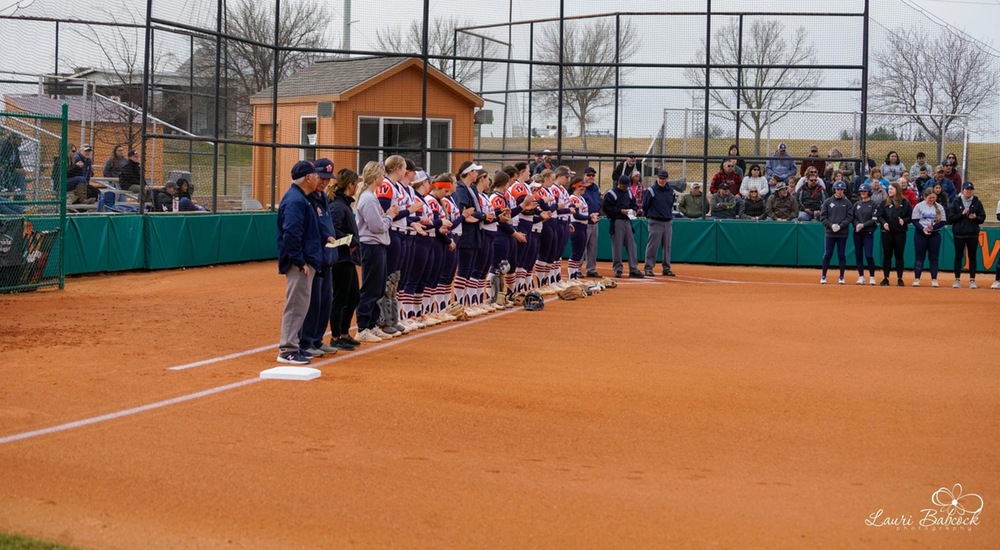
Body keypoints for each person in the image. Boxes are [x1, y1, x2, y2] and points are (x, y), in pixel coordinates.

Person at [275, 160, 324, 364]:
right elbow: (291, 233)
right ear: (308, 178)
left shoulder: (303, 198)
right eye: (315, 174)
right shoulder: (296, 200)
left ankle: (292, 346)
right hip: (299, 262)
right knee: (296, 305)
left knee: (300, 305)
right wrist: (298, 260)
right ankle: (287, 350)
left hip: (305, 259)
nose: (318, 178)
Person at [355, 161, 400, 343]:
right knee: (370, 287)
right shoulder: (368, 198)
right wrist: (390, 216)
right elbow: (377, 226)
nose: (383, 178)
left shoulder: (370, 197)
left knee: (378, 287)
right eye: (381, 175)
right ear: (375, 177)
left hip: (377, 246)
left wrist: (387, 216)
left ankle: (372, 324)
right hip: (370, 246)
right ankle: (363, 327)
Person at [298, 158, 339, 358]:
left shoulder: (323, 197)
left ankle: (317, 339)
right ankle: (305, 342)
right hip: (315, 256)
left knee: (325, 302)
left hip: (328, 256)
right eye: (322, 177)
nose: (324, 182)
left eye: (327, 178)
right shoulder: (307, 198)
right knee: (312, 302)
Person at [327, 168, 361, 350]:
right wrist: (350, 242)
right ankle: (335, 336)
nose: (357, 187)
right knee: (340, 298)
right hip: (340, 259)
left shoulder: (344, 204)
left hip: (347, 259)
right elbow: (333, 230)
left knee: (354, 296)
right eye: (356, 183)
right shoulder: (338, 206)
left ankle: (344, 333)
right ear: (350, 185)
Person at [603, 175, 642, 278]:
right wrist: (620, 211)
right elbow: (606, 209)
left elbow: (634, 204)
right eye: (624, 186)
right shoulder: (611, 194)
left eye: (627, 186)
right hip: (617, 221)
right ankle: (618, 269)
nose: (626, 188)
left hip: (627, 221)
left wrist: (634, 210)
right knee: (617, 246)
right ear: (619, 183)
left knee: (632, 246)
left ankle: (633, 269)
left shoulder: (628, 192)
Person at [948, 182, 986, 289]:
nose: (969, 191)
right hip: (959, 234)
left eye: (970, 189)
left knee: (972, 257)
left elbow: (982, 218)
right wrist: (962, 214)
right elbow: (951, 218)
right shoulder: (956, 202)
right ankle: (957, 279)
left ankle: (972, 280)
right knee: (958, 257)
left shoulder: (977, 202)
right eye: (967, 189)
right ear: (962, 190)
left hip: (972, 234)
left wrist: (976, 218)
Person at [818, 181, 854, 285]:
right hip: (830, 232)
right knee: (827, 254)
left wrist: (840, 226)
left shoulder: (847, 203)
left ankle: (841, 276)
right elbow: (823, 217)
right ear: (834, 190)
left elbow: (849, 217)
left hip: (842, 233)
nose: (839, 191)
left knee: (841, 255)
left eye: (841, 189)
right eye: (838, 189)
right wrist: (831, 225)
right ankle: (824, 275)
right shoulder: (827, 202)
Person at [911, 187, 948, 287]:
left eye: (933, 198)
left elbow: (943, 221)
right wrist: (923, 228)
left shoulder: (939, 207)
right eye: (930, 198)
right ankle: (917, 279)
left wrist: (934, 227)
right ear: (925, 197)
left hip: (934, 234)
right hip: (920, 234)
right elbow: (914, 220)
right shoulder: (919, 206)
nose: (932, 200)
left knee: (934, 257)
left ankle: (934, 279)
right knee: (919, 257)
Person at [643, 170, 676, 277]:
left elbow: (670, 204)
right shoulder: (651, 191)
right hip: (655, 221)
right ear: (657, 178)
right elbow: (645, 205)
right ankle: (648, 267)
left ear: (667, 179)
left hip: (667, 221)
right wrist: (650, 215)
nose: (662, 180)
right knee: (653, 246)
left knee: (667, 246)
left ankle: (666, 268)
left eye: (664, 178)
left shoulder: (671, 191)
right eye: (660, 178)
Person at [878, 182, 912, 287]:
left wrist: (904, 221)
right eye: (889, 189)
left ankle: (900, 278)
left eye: (892, 189)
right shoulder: (884, 202)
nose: (889, 190)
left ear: (897, 190)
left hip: (900, 233)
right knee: (887, 255)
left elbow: (910, 217)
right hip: (887, 232)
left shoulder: (905, 203)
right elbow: (880, 216)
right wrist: (884, 223)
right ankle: (886, 278)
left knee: (899, 255)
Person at [851, 183, 879, 285]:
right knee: (858, 255)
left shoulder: (873, 204)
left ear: (869, 192)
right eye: (861, 191)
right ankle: (861, 276)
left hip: (868, 233)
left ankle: (872, 277)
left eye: (865, 191)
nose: (863, 193)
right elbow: (853, 218)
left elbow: (874, 219)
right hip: (858, 233)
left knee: (868, 255)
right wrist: (857, 224)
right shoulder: (856, 205)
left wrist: (863, 225)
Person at [581, 166, 603, 277]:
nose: (591, 177)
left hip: (594, 220)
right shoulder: (580, 187)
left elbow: (598, 201)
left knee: (592, 247)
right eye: (588, 175)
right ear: (584, 175)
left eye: (593, 175)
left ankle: (591, 269)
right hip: (583, 220)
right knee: (581, 245)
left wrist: (598, 212)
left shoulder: (596, 188)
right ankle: (576, 269)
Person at [0, 133, 27, 199]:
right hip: (5, 172)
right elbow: (3, 164)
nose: (21, 141)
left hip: (10, 172)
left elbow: (17, 164)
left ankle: (20, 200)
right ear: (12, 138)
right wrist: (16, 169)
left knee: (21, 176)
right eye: (19, 139)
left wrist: (22, 170)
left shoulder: (15, 149)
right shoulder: (5, 147)